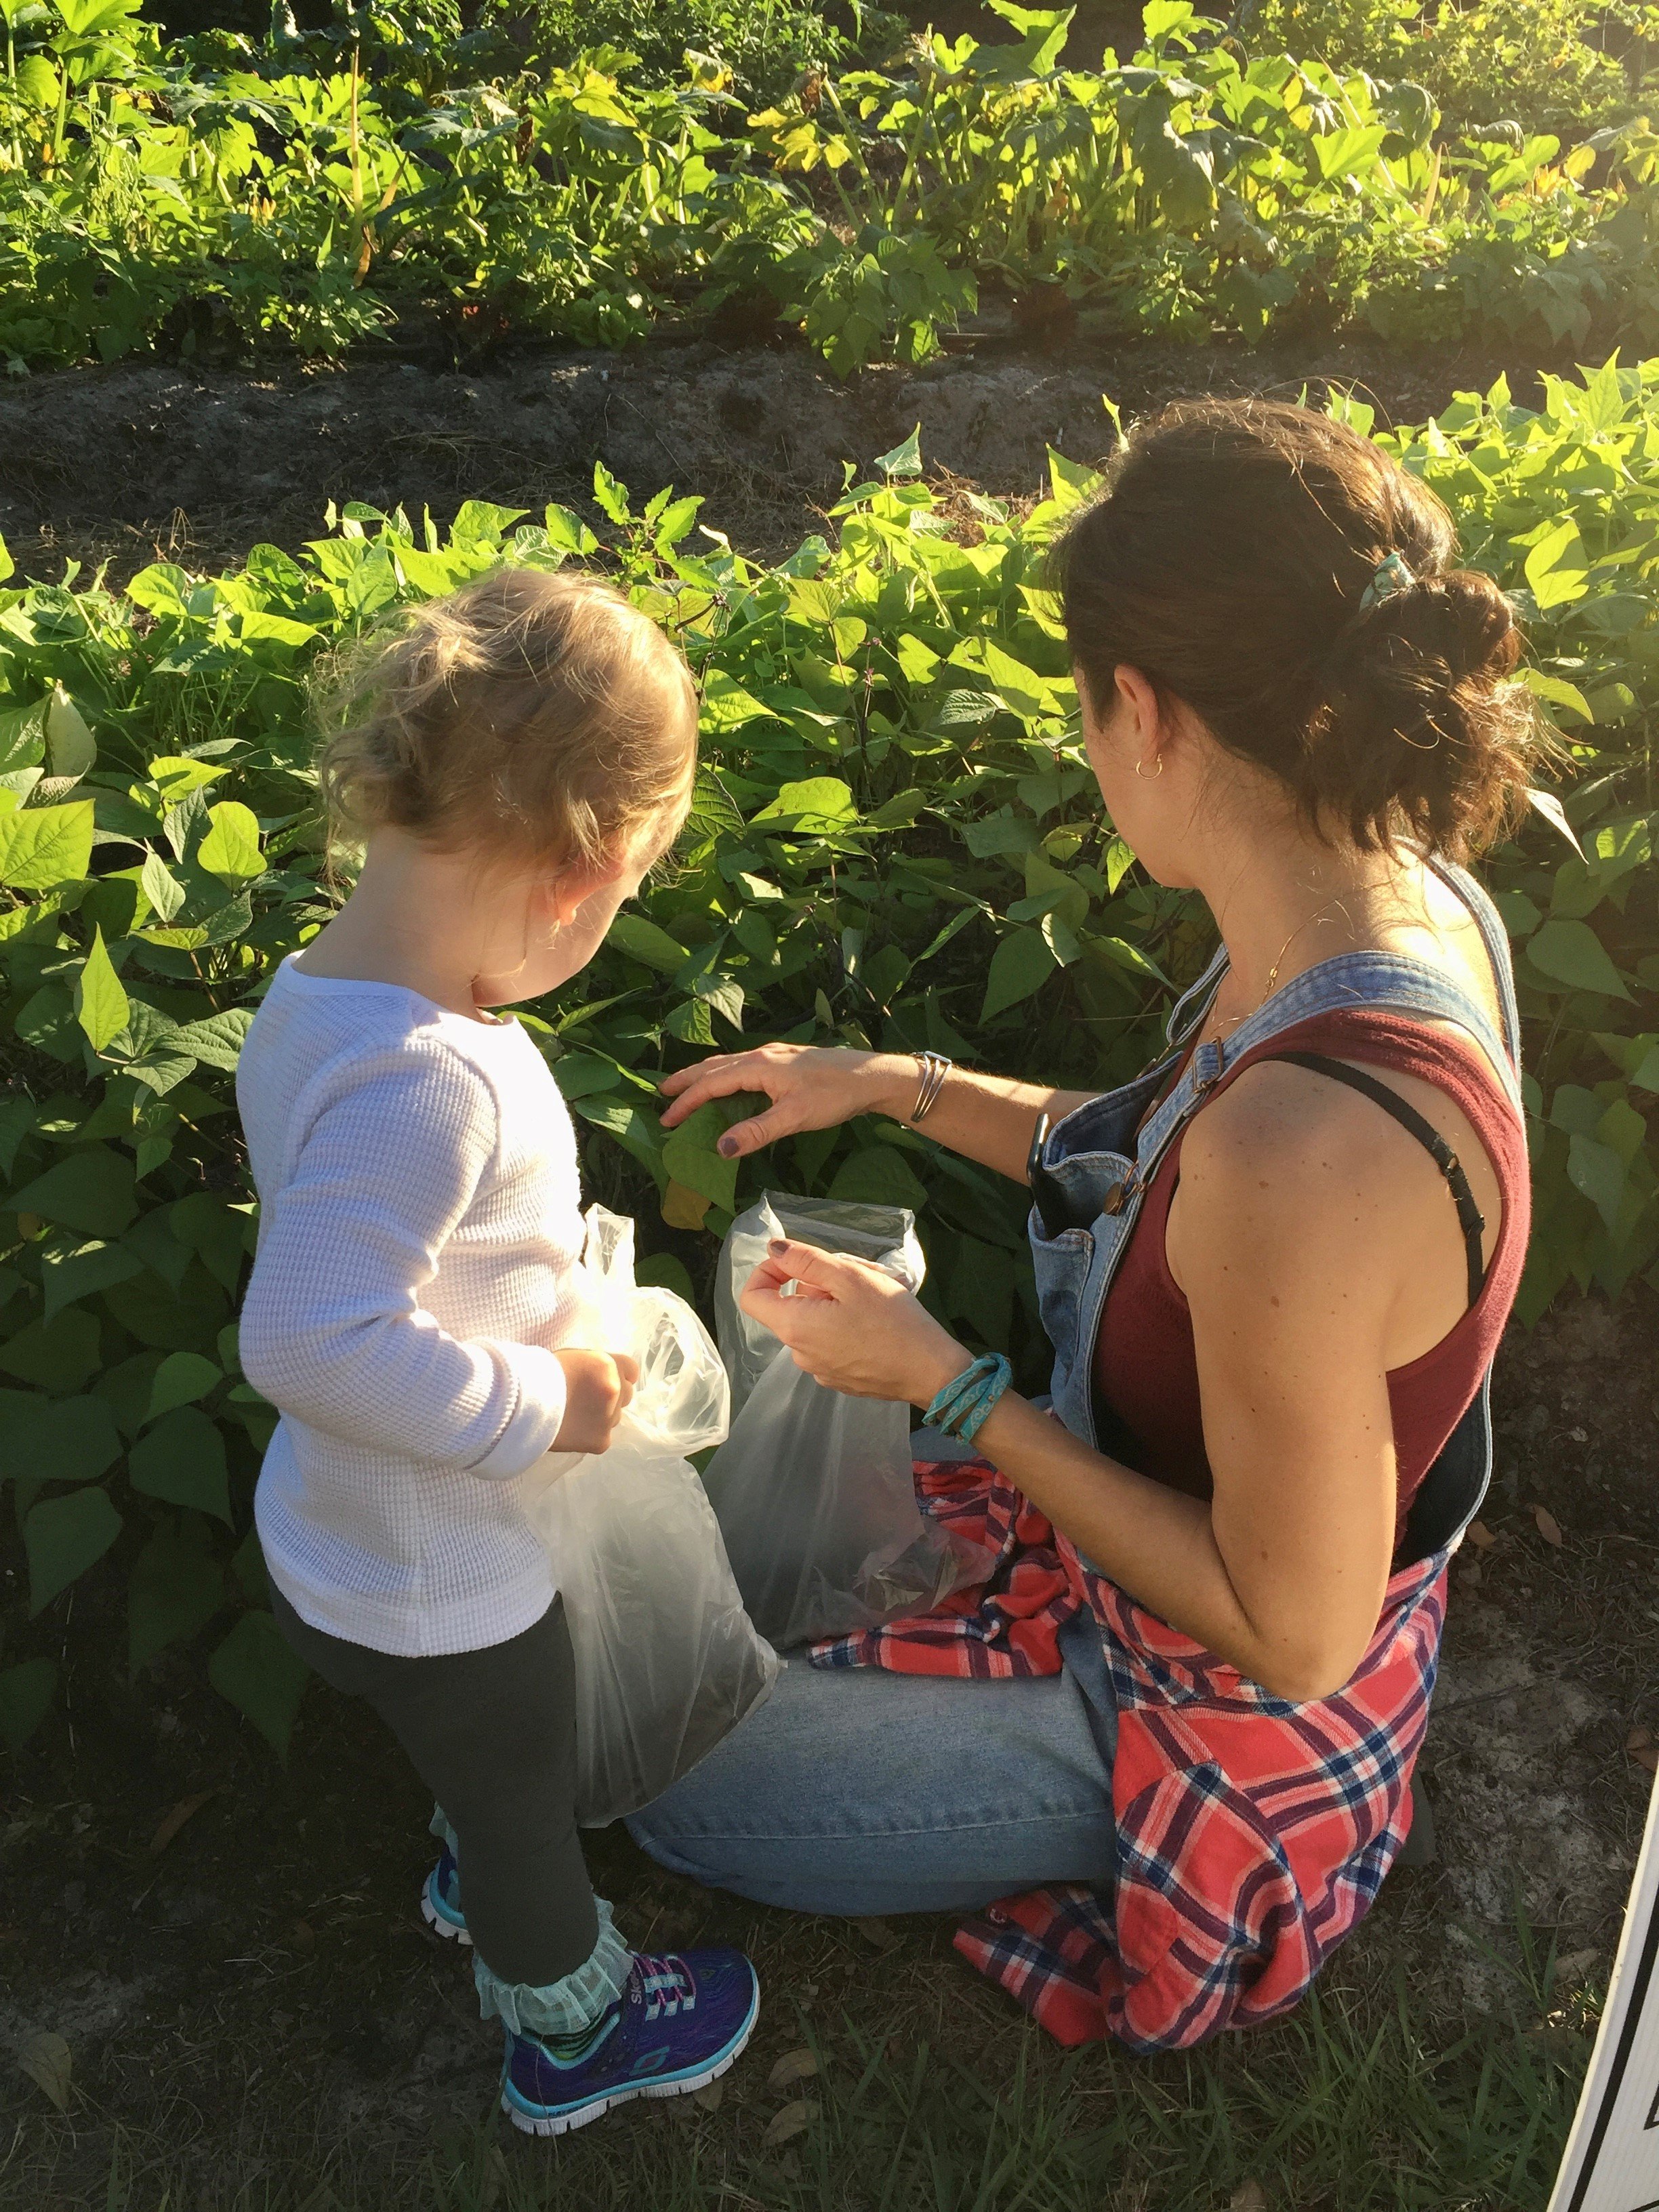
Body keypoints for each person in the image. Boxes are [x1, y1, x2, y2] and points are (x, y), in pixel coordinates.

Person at [634, 397, 1537, 2049]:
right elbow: (1142, 1157)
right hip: (1221, 1540)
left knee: (672, 1774)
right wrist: (889, 1081)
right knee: (736, 1538)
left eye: (1084, 709)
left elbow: (1290, 1628)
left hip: (1230, 1708)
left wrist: (949, 1386)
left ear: (1146, 707)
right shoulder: (1377, 897)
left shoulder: (1307, 1148)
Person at [234, 568, 760, 2135]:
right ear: (582, 871)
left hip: (343, 1540)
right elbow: (312, 1339)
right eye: (631, 895)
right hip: (441, 1584)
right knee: (526, 1785)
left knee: (481, 1762)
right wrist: (546, 1404)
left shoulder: (323, 991)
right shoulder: (433, 1081)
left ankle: (483, 1840)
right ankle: (571, 2020)